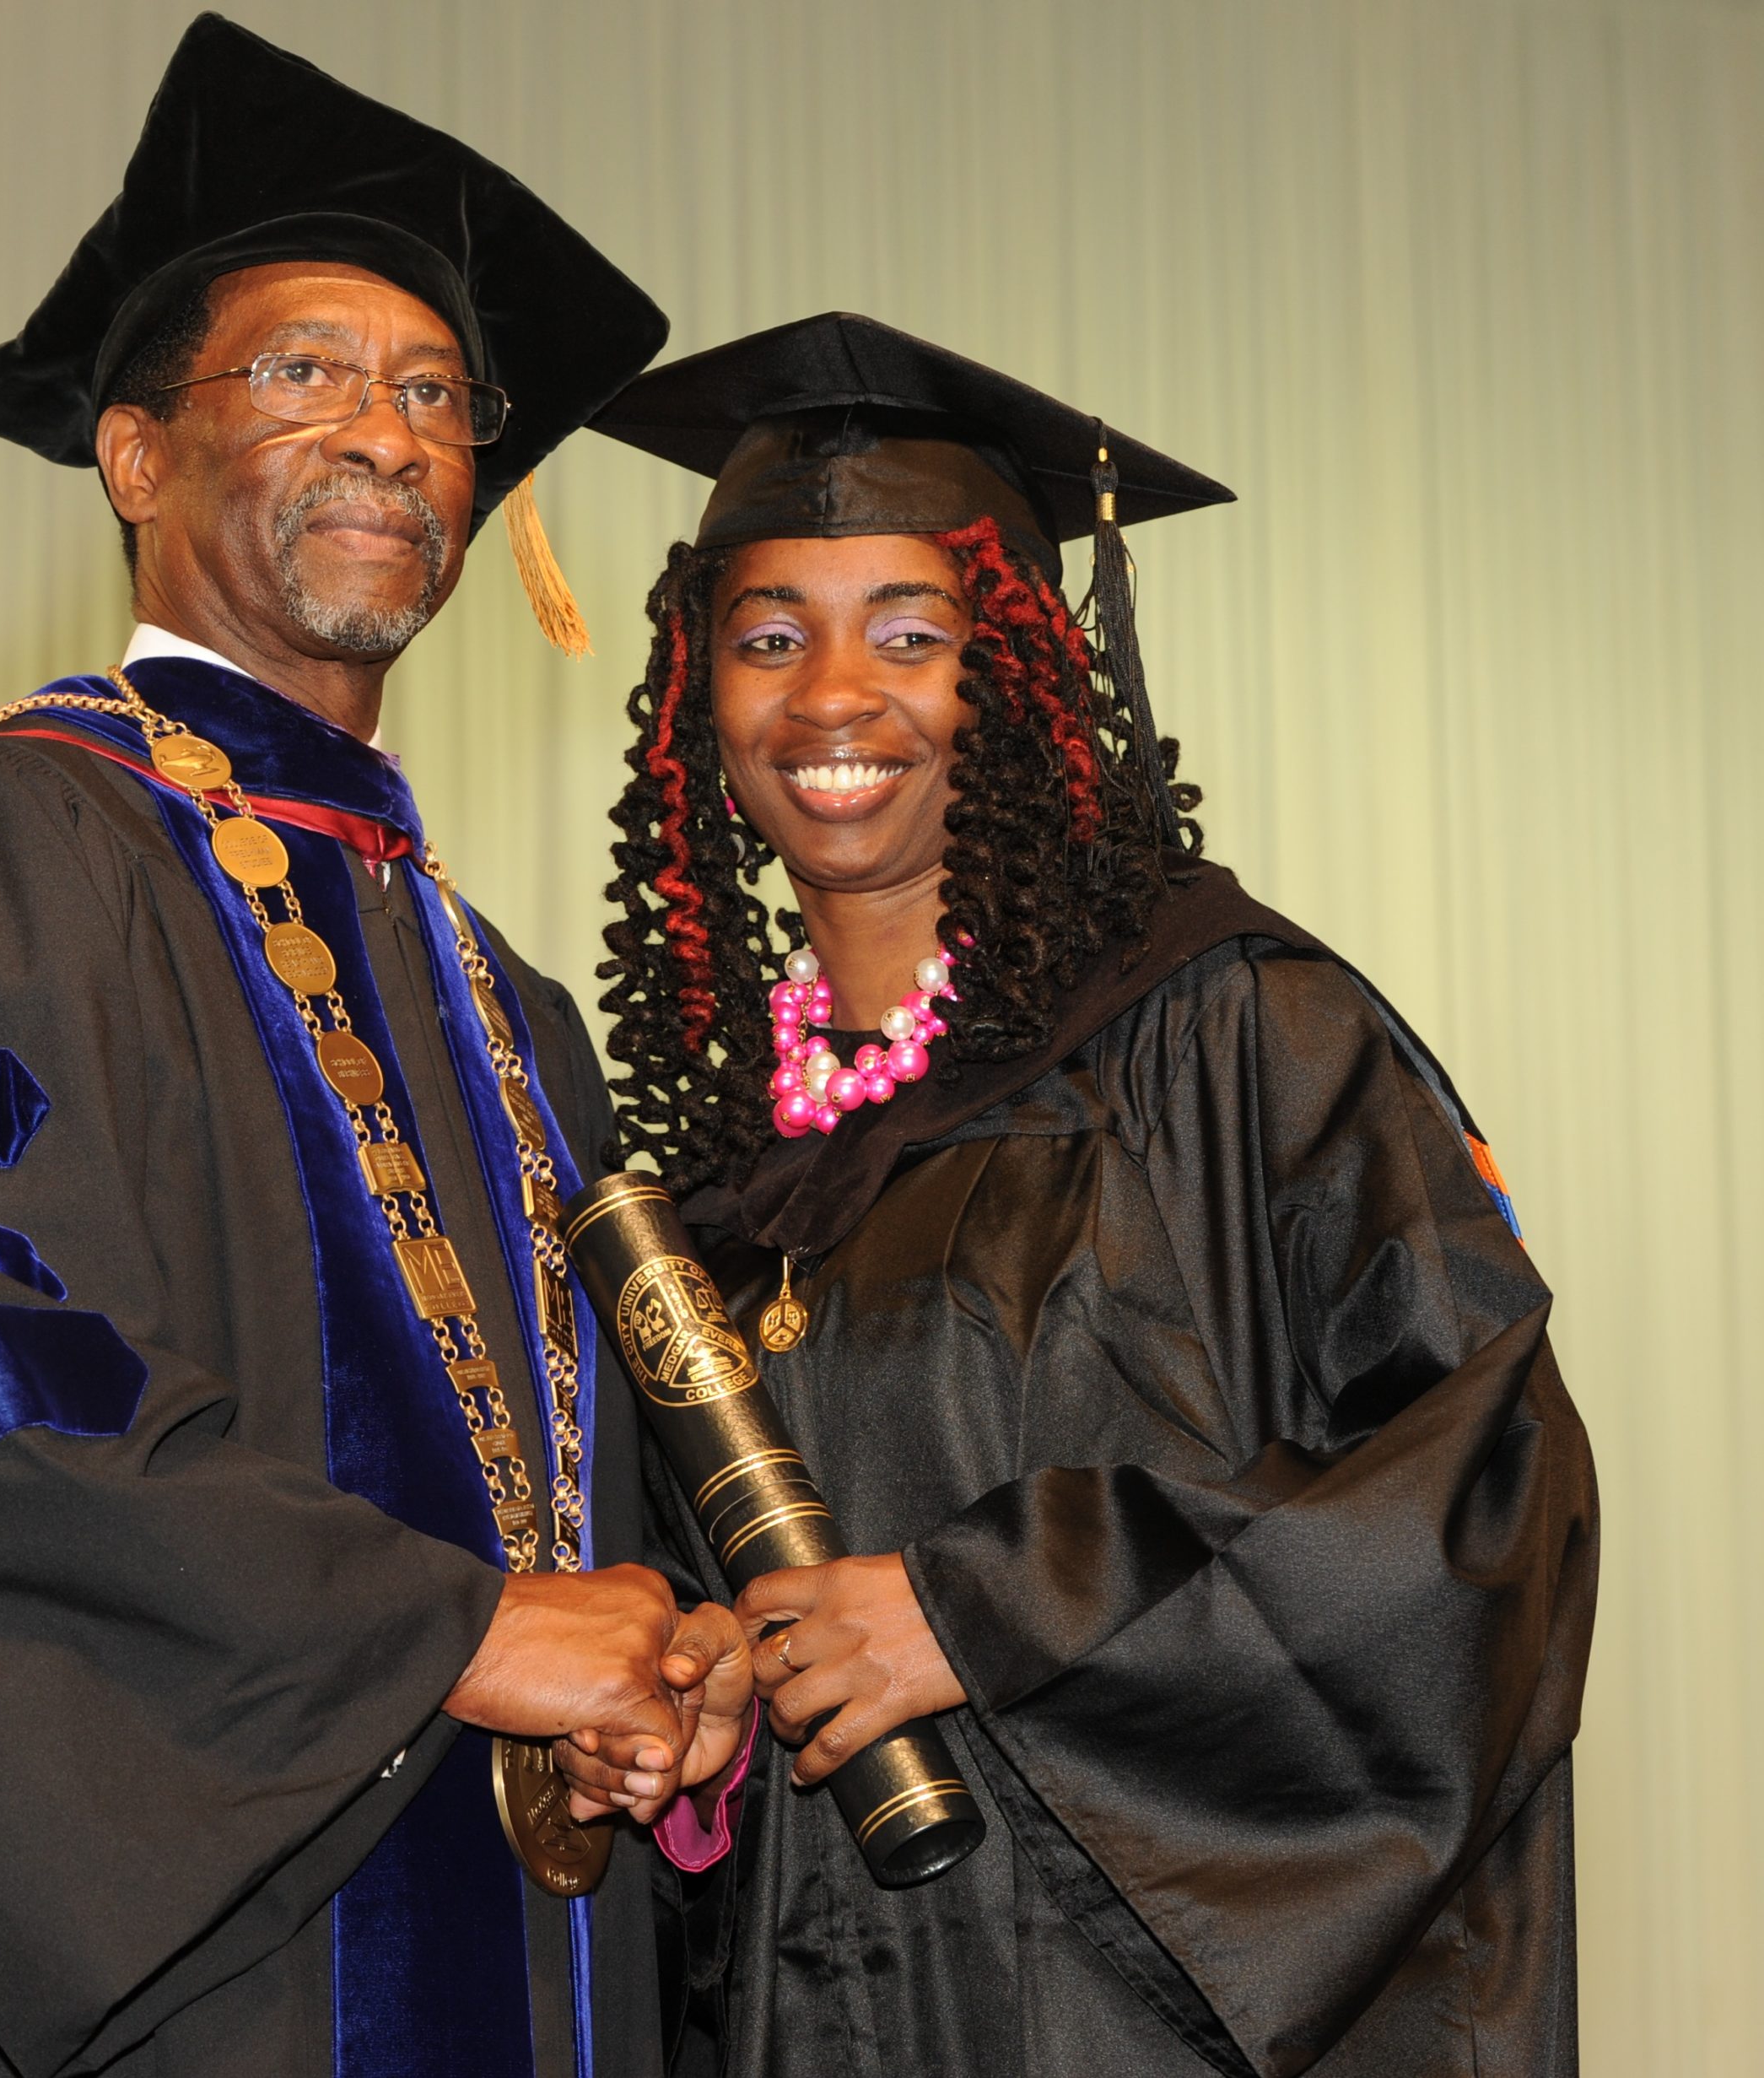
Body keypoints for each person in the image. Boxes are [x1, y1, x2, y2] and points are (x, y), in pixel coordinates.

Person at [0, 17, 748, 2077]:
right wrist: (454, 1635)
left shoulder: (507, 1004)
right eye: (307, 371)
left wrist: (660, 1679)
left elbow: (581, 1506)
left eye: (436, 396)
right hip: (154, 1986)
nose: (390, 432)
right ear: (134, 455)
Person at [563, 312, 1598, 2078]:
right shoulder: (714, 1191)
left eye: (910, 632)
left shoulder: (1234, 1039)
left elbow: (1482, 1497)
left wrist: (977, 1603)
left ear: (1020, 676)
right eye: (765, 638)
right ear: (692, 706)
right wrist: (690, 1715)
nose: (830, 696)